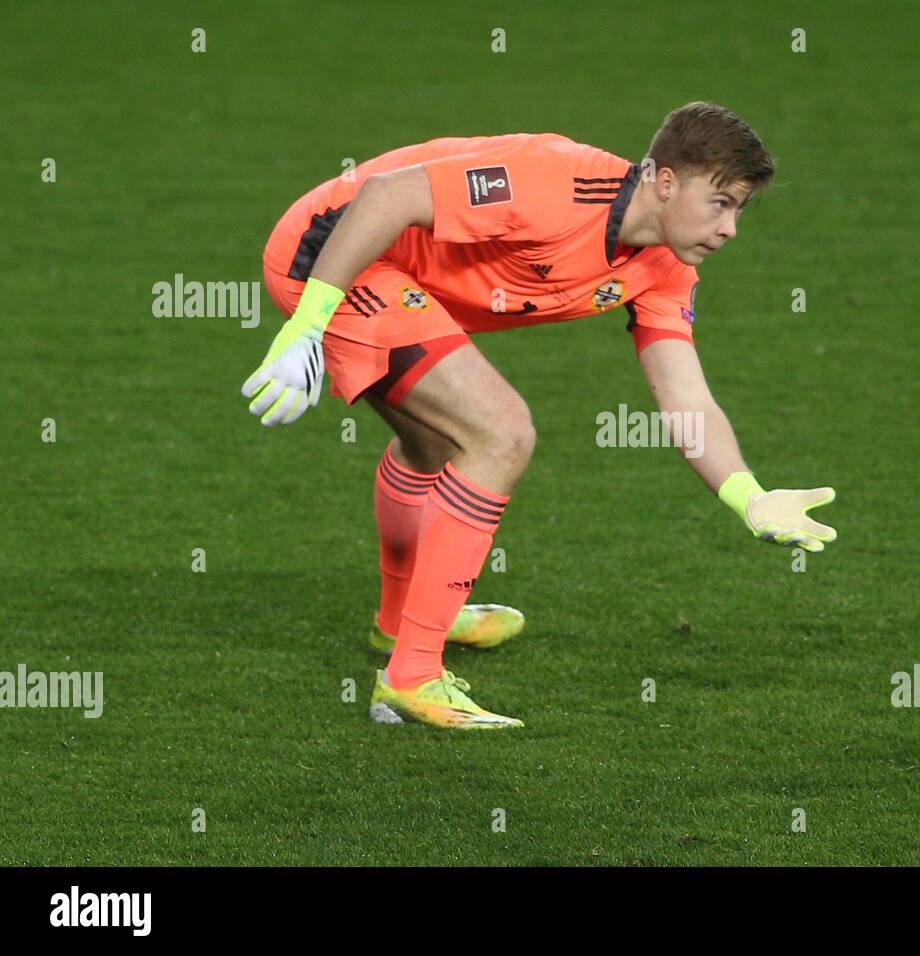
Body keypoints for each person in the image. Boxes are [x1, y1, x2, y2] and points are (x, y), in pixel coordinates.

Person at [242, 102, 837, 730]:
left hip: (400, 278)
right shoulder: (554, 182)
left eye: (740, 209)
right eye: (720, 203)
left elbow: (686, 399)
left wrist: (747, 495)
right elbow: (389, 196)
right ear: (665, 182)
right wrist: (307, 326)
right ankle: (411, 679)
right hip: (333, 253)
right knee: (500, 432)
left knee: (434, 444)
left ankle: (399, 627)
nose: (731, 228)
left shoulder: (666, 267)